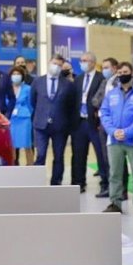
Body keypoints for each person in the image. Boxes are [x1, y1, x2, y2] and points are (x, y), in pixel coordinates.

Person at [98, 62, 133, 216]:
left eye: (125, 72)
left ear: (131, 73)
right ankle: (115, 203)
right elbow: (104, 114)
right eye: (119, 73)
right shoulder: (111, 94)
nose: (122, 75)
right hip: (114, 140)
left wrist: (127, 132)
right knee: (114, 173)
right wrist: (113, 131)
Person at [30, 54, 76, 185]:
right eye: (54, 64)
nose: (56, 67)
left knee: (59, 156)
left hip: (60, 126)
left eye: (59, 65)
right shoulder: (37, 81)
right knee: (40, 154)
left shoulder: (68, 84)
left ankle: (56, 182)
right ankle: (37, 182)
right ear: (49, 63)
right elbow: (32, 101)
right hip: (41, 124)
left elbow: (71, 104)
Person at [70, 51, 107, 194]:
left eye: (86, 60)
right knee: (78, 154)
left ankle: (105, 183)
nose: (82, 63)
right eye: (81, 60)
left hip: (95, 122)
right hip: (79, 122)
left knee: (101, 154)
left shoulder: (101, 78)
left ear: (93, 63)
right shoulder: (78, 79)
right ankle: (78, 182)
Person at [89, 56, 118, 198]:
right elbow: (95, 100)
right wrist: (106, 102)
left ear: (115, 68)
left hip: (117, 124)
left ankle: (120, 189)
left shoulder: (120, 82)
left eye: (107, 67)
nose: (104, 70)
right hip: (103, 123)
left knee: (117, 158)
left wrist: (106, 102)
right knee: (105, 156)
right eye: (103, 67)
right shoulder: (104, 82)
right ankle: (108, 186)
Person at [7, 66, 34, 165]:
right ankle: (13, 165)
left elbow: (31, 104)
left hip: (24, 119)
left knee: (27, 144)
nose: (16, 76)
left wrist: (27, 113)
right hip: (11, 119)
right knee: (12, 144)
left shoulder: (28, 88)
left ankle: (30, 165)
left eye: (18, 74)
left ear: (22, 76)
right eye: (14, 74)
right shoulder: (7, 88)